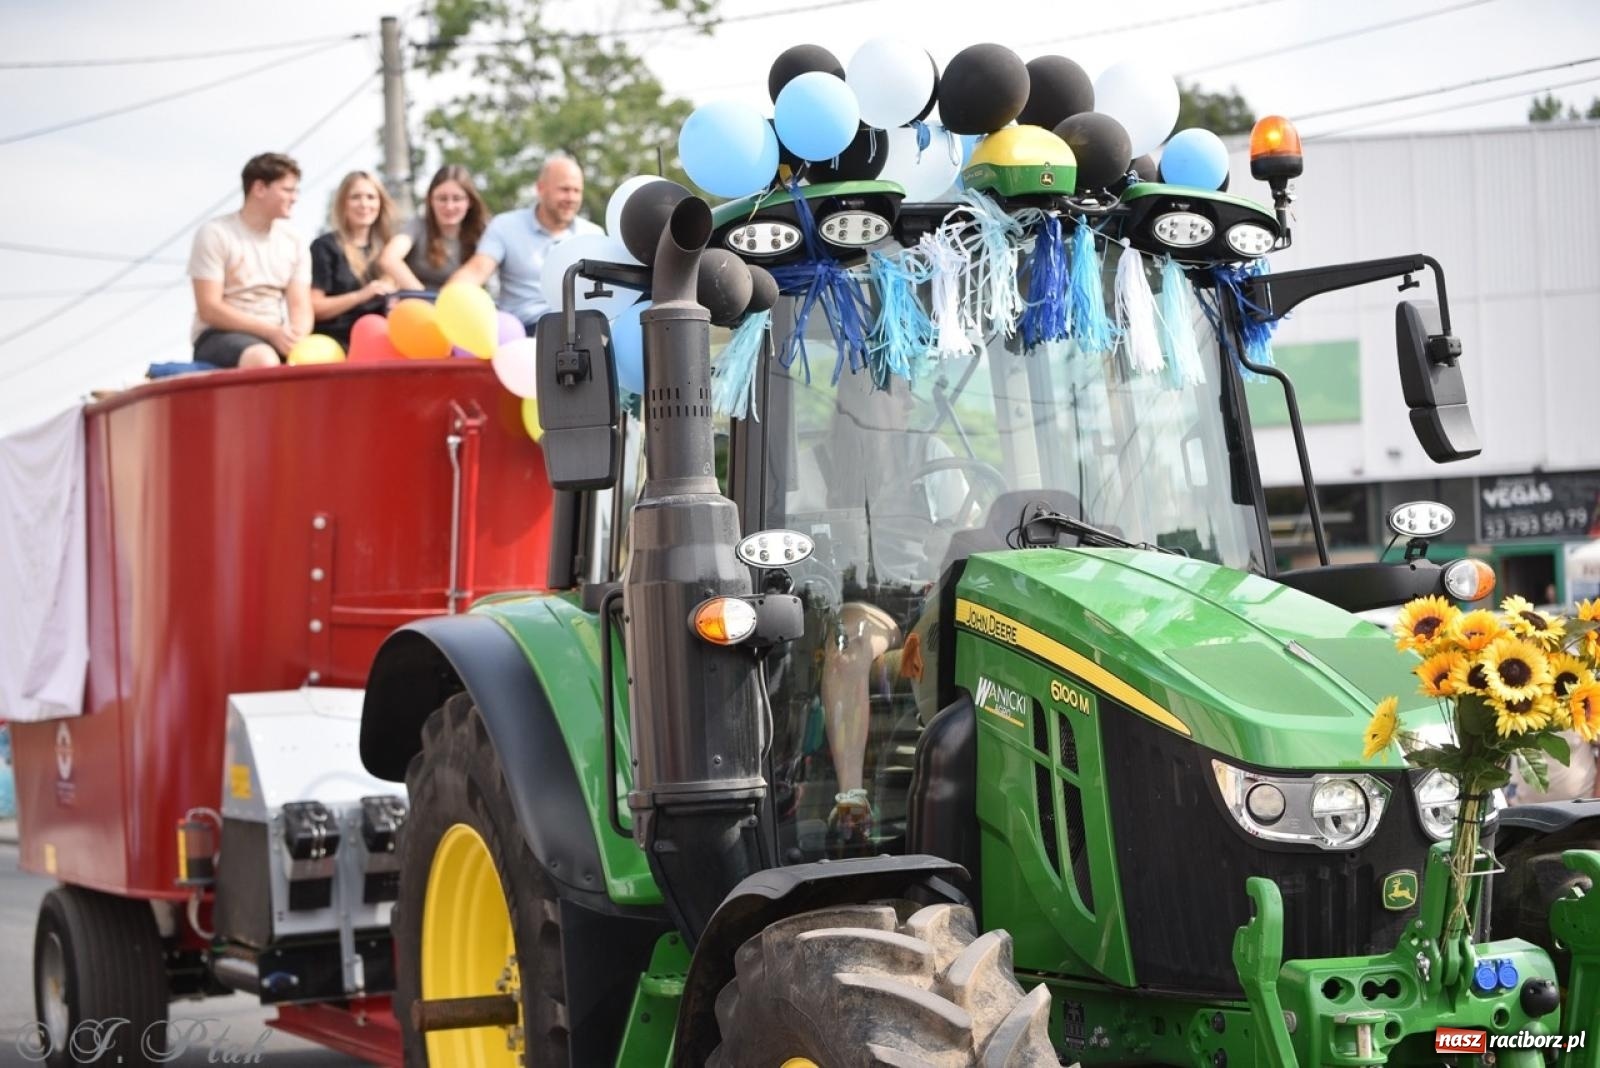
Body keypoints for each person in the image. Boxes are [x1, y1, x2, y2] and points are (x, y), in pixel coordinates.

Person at [187, 152, 312, 369]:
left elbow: (301, 305)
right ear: (259, 189)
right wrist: (270, 332)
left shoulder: (295, 241)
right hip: (219, 335)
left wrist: (296, 338)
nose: (295, 198)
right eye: (287, 190)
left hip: (276, 335)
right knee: (264, 359)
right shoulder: (216, 233)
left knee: (318, 362)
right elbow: (209, 307)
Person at [449, 156, 600, 328]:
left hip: (580, 330)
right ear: (540, 188)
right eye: (564, 189)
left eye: (577, 191)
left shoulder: (593, 234)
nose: (571, 198)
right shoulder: (505, 225)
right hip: (524, 329)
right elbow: (476, 271)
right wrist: (451, 297)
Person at [309, 171, 399, 350]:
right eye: (356, 197)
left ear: (380, 204)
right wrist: (361, 295)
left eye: (371, 197)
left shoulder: (390, 249)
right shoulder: (324, 247)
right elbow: (315, 307)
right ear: (343, 203)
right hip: (336, 344)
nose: (364, 204)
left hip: (382, 343)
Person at [377, 164, 488, 292]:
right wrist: (424, 298)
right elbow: (389, 258)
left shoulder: (483, 232)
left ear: (470, 202)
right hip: (418, 306)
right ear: (430, 200)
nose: (449, 206)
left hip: (462, 306)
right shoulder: (417, 225)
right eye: (442, 199)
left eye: (457, 199)